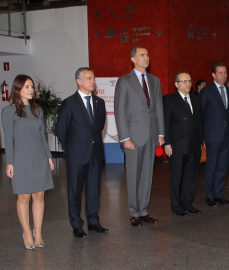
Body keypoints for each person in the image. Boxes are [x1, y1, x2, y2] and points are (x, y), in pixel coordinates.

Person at [114, 45, 165, 226]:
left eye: (147, 54)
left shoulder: (154, 81)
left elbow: (158, 108)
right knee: (134, 175)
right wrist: (124, 137)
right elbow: (120, 112)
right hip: (133, 136)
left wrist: (160, 134)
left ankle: (143, 210)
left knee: (147, 175)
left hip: (151, 136)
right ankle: (133, 212)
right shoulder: (124, 81)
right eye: (142, 55)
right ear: (133, 59)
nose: (146, 57)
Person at [2, 74, 54, 249]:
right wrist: (10, 162)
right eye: (26, 87)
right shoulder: (8, 112)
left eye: (31, 86)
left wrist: (49, 157)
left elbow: (42, 136)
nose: (31, 90)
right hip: (21, 158)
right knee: (24, 197)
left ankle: (37, 232)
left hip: (39, 157)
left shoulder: (38, 110)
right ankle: (26, 231)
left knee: (39, 196)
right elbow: (8, 139)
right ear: (17, 90)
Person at [56, 67, 108, 238]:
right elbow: (61, 129)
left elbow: (99, 127)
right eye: (88, 78)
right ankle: (77, 224)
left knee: (94, 190)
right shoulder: (69, 103)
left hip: (95, 154)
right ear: (78, 81)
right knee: (75, 191)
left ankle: (93, 221)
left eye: (93, 78)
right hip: (76, 155)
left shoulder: (99, 102)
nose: (92, 81)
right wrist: (70, 148)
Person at [163, 71, 203, 216]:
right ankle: (176, 205)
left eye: (189, 81)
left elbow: (199, 123)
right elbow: (165, 123)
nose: (188, 84)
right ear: (176, 84)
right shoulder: (169, 100)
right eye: (184, 81)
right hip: (177, 145)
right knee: (177, 177)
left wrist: (202, 140)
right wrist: (167, 143)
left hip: (194, 144)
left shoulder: (196, 100)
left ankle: (188, 203)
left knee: (192, 177)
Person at [200, 62, 229, 207]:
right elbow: (201, 115)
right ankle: (210, 196)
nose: (224, 75)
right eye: (220, 72)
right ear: (213, 75)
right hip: (212, 136)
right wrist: (202, 138)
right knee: (211, 167)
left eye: (225, 72)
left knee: (223, 166)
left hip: (226, 135)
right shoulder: (206, 91)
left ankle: (219, 194)